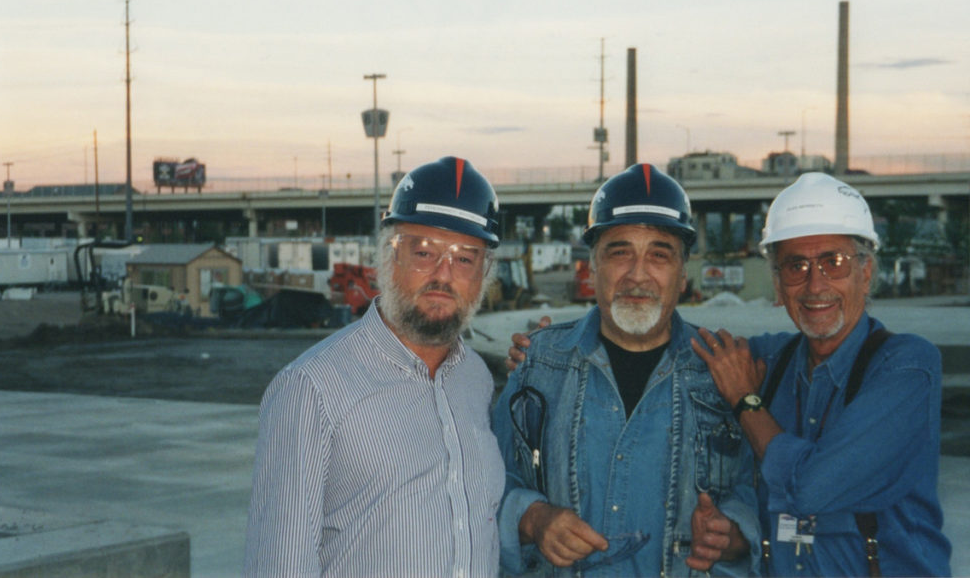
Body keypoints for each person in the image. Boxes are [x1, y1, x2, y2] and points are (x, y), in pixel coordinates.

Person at [491, 163, 760, 577]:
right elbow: (485, 482)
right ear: (593, 266)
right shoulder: (538, 365)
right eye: (620, 252)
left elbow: (757, 489)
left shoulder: (722, 374)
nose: (638, 274)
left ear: (682, 274)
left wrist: (736, 535)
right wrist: (532, 518)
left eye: (659, 254)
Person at [244, 156, 506, 577]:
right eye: (423, 252)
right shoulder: (312, 388)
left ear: (485, 272)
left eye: (464, 258)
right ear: (388, 256)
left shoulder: (475, 379)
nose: (443, 274)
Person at [690, 172, 952, 576]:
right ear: (778, 285)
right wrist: (557, 346)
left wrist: (748, 402)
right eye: (796, 266)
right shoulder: (774, 361)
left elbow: (812, 488)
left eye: (834, 262)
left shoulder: (905, 367)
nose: (816, 285)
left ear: (866, 274)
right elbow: (681, 355)